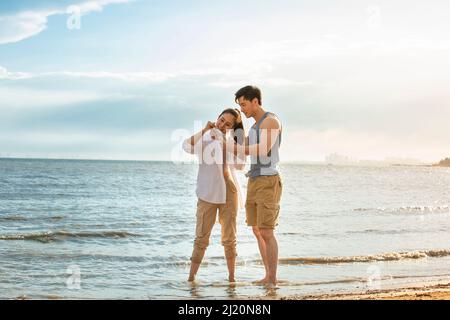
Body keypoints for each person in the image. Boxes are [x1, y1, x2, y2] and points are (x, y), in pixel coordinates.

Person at [228, 85, 283, 287]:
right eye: (240, 106)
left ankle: (272, 279)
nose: (242, 109)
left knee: (267, 231)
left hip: (269, 180)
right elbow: (243, 153)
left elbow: (262, 148)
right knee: (257, 230)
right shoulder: (252, 127)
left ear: (255, 101)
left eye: (243, 104)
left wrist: (235, 146)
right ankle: (267, 276)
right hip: (254, 179)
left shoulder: (271, 120)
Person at [183, 108, 245, 282]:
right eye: (221, 120)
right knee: (201, 237)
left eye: (228, 124)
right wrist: (204, 130)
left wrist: (233, 143)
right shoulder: (205, 136)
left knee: (229, 237)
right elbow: (186, 147)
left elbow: (240, 165)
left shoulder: (231, 141)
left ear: (232, 127)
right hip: (207, 193)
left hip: (229, 192)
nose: (222, 125)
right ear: (217, 118)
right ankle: (191, 279)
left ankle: (232, 279)